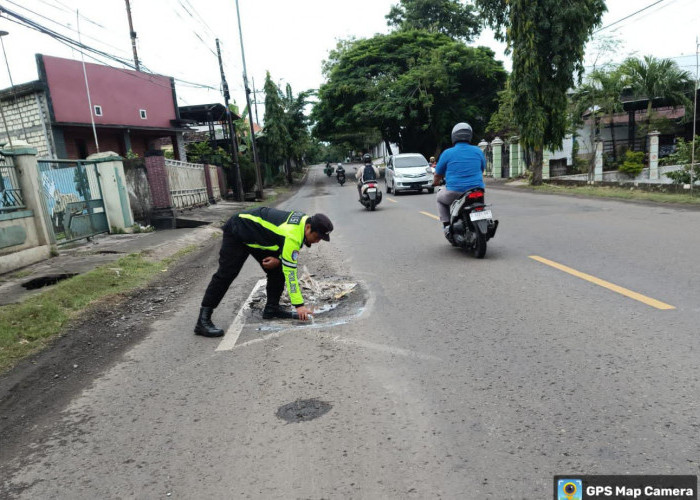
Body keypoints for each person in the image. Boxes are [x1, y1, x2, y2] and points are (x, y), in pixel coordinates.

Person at [194, 208, 334, 337]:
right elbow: (290, 273)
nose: (317, 241)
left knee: (277, 268)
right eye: (317, 237)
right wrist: (299, 306)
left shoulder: (305, 222)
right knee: (227, 274)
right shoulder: (293, 235)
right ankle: (203, 320)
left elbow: (280, 241)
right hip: (238, 229)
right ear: (308, 228)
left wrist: (279, 259)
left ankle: (272, 309)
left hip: (258, 237)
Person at [433, 122, 486, 239]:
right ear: (469, 136)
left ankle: (446, 226)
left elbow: (438, 174)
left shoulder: (447, 153)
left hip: (454, 191)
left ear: (454, 137)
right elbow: (482, 169)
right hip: (477, 190)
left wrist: (435, 182)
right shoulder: (478, 151)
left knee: (439, 198)